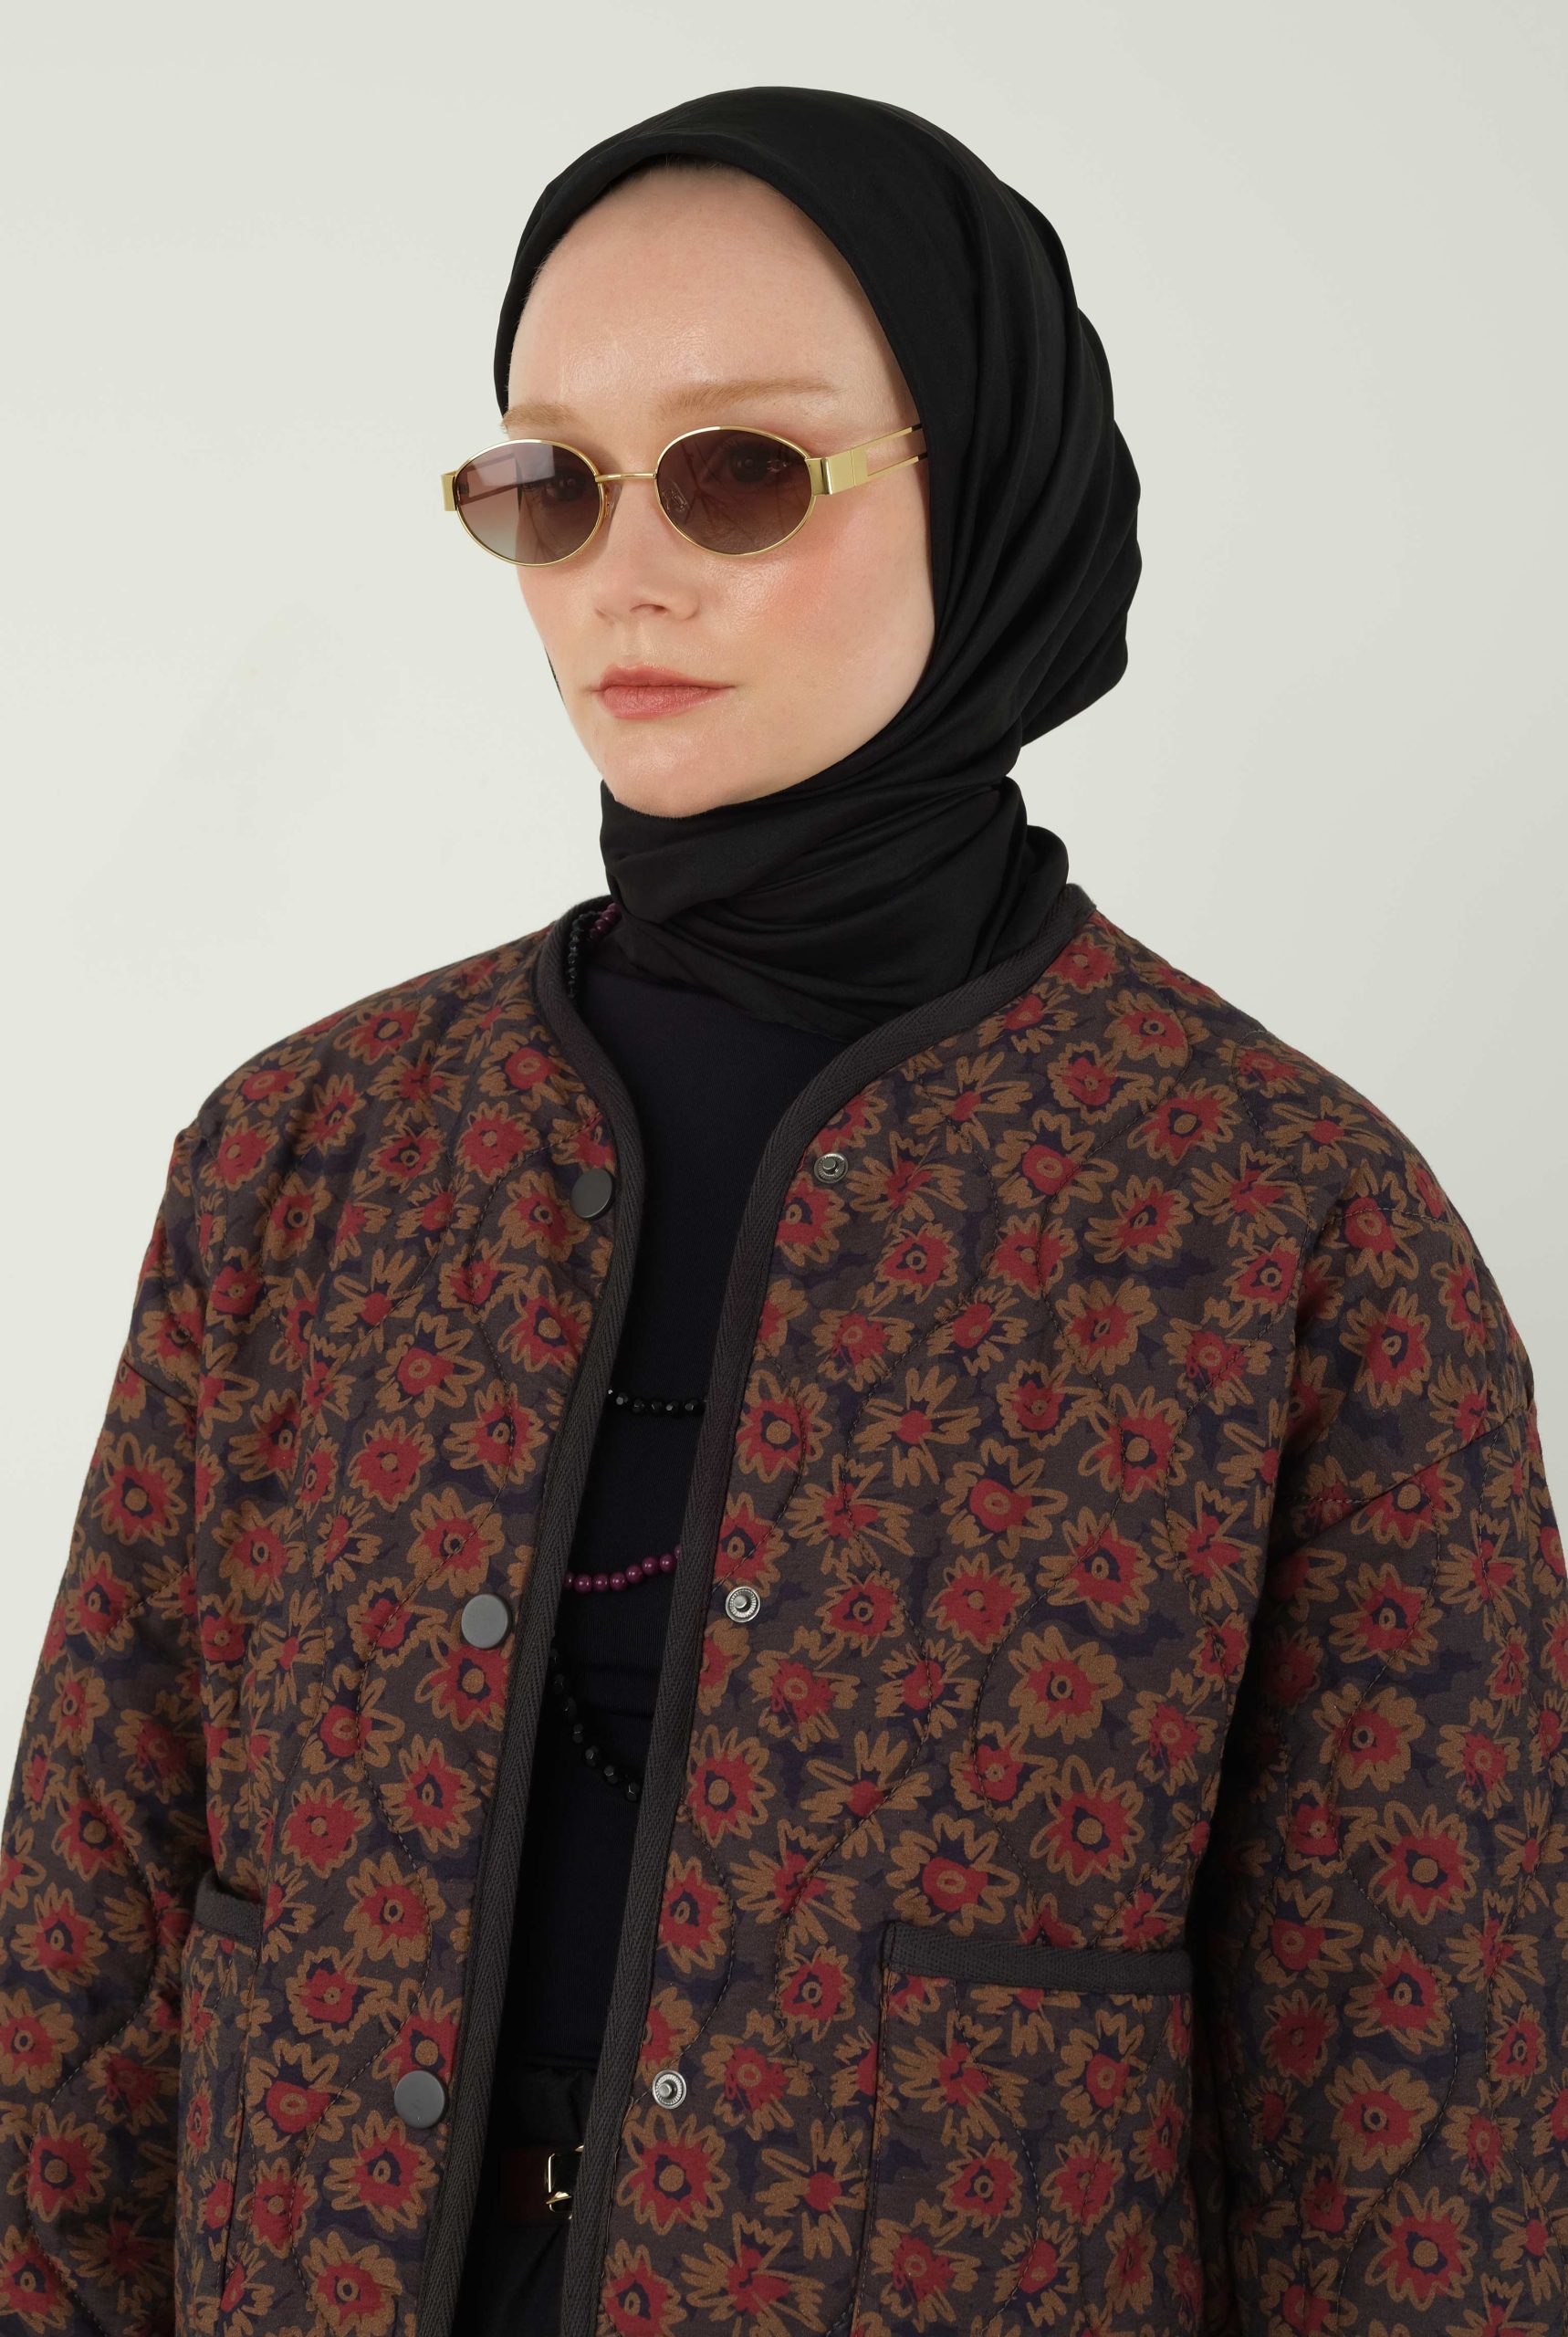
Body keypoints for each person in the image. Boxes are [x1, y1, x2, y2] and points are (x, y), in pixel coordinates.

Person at [0, 84, 1559, 2337]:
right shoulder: (308, 1155)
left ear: (989, 483)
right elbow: (79, 1958)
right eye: (551, 485)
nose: (624, 575)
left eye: (739, 472)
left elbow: (1427, 2144)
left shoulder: (1278, 1225)